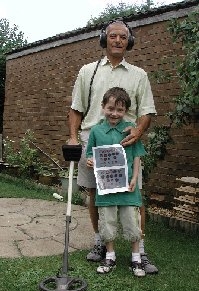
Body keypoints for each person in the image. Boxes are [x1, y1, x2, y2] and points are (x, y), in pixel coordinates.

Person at [68, 19, 158, 274]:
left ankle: (139, 250)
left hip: (126, 144)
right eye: (112, 36)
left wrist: (139, 131)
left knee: (135, 197)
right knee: (96, 196)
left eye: (122, 36)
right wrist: (74, 138)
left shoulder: (139, 75)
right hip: (94, 141)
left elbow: (147, 112)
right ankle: (100, 242)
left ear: (129, 41)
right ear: (104, 39)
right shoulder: (88, 71)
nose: (117, 40)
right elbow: (76, 108)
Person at [86, 87, 146, 276]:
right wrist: (90, 160)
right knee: (107, 221)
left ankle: (136, 258)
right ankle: (110, 255)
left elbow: (137, 156)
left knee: (131, 221)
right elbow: (90, 153)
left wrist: (135, 178)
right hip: (106, 188)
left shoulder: (130, 129)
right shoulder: (96, 131)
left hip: (128, 187)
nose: (114, 113)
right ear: (103, 107)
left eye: (120, 110)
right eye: (110, 108)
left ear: (125, 111)